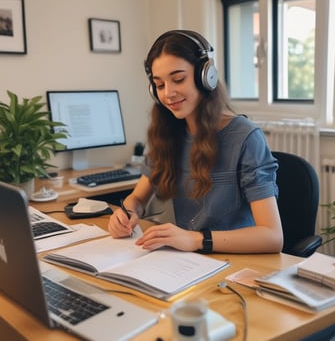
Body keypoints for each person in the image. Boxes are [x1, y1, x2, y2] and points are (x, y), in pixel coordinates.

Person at [108, 30, 283, 254]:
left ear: (206, 76)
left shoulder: (245, 137)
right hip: (186, 262)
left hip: (236, 261)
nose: (168, 93)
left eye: (178, 79)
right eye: (159, 85)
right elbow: (139, 198)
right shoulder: (166, 132)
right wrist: (127, 213)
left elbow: (272, 236)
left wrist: (195, 239)